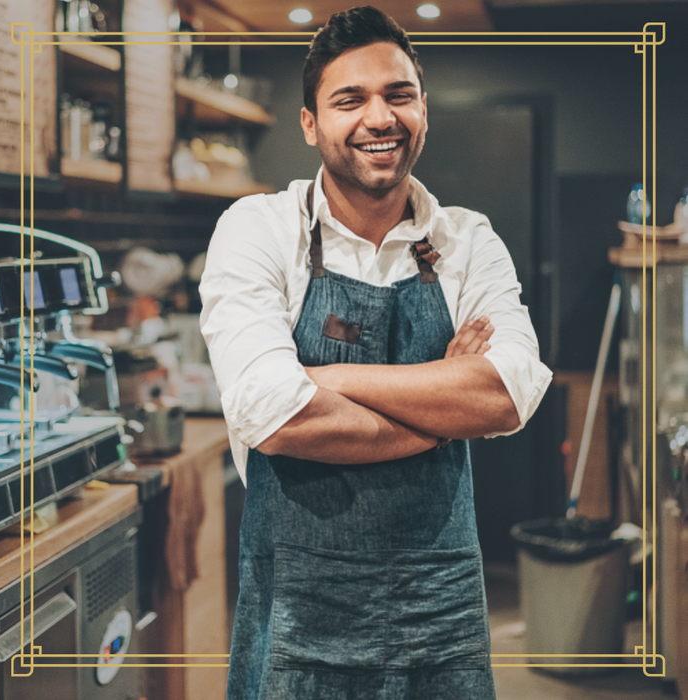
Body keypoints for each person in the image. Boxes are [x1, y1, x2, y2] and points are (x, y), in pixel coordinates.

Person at [200, 6, 552, 699]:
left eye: (398, 94)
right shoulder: (261, 229)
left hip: (440, 606)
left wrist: (328, 377)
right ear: (310, 123)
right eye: (348, 99)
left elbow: (507, 393)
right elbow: (279, 416)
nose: (379, 117)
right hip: (300, 613)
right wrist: (445, 401)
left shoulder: (465, 240)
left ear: (423, 109)